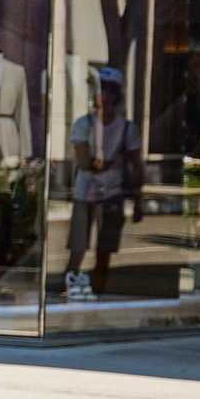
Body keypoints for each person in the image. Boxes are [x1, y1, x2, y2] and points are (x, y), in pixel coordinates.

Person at [64, 71, 141, 300]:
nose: (103, 95)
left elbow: (136, 165)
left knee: (104, 252)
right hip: (84, 193)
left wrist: (138, 200)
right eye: (99, 89)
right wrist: (113, 161)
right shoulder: (83, 123)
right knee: (77, 249)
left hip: (112, 194)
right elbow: (83, 160)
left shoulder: (127, 128)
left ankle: (97, 294)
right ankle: (70, 289)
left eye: (108, 89)